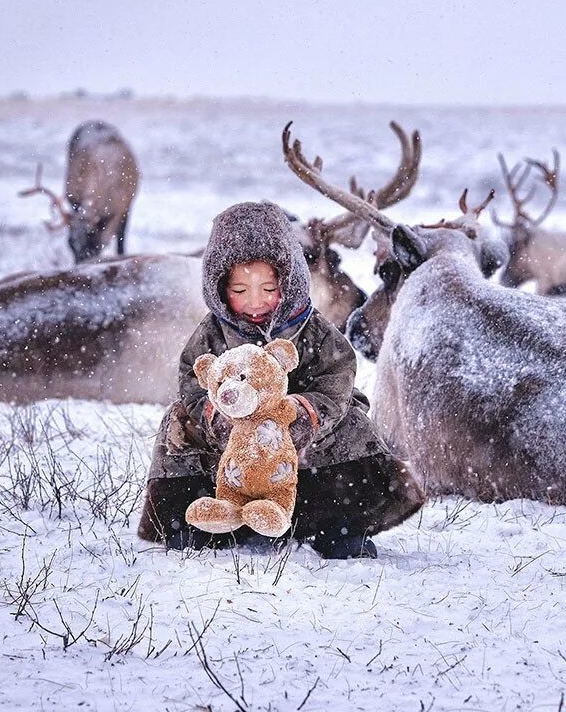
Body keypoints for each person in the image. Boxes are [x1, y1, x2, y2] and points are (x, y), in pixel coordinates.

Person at [136, 201, 424, 558]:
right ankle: (192, 520)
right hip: (232, 447)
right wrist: (217, 418)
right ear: (219, 288)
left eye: (268, 289)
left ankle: (338, 525)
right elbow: (192, 381)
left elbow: (338, 377)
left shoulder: (312, 328)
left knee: (351, 423)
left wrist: (304, 416)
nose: (255, 302)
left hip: (301, 438)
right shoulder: (212, 333)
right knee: (178, 424)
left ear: (289, 282)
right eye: (239, 291)